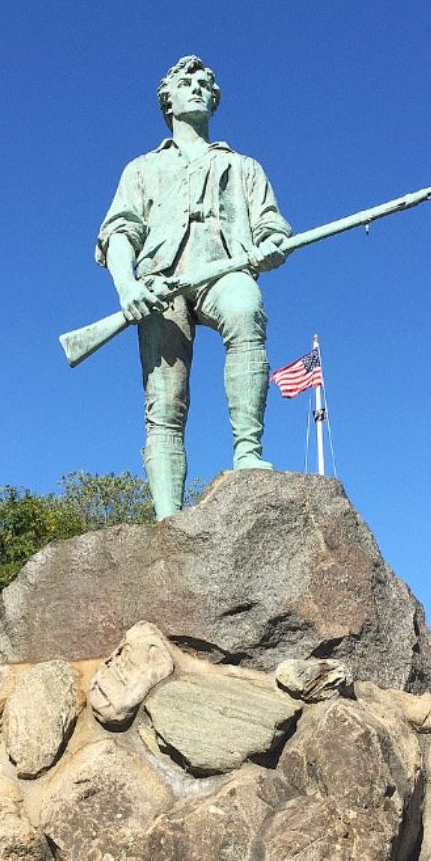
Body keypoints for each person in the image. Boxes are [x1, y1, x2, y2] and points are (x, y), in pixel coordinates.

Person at [95, 55, 291, 519]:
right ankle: (168, 516)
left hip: (224, 269)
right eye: (186, 82)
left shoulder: (244, 166)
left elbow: (272, 228)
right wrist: (127, 287)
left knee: (246, 308)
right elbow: (120, 233)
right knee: (165, 400)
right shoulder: (141, 168)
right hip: (159, 285)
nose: (198, 87)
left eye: (206, 82)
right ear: (168, 100)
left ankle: (247, 452)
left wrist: (273, 245)